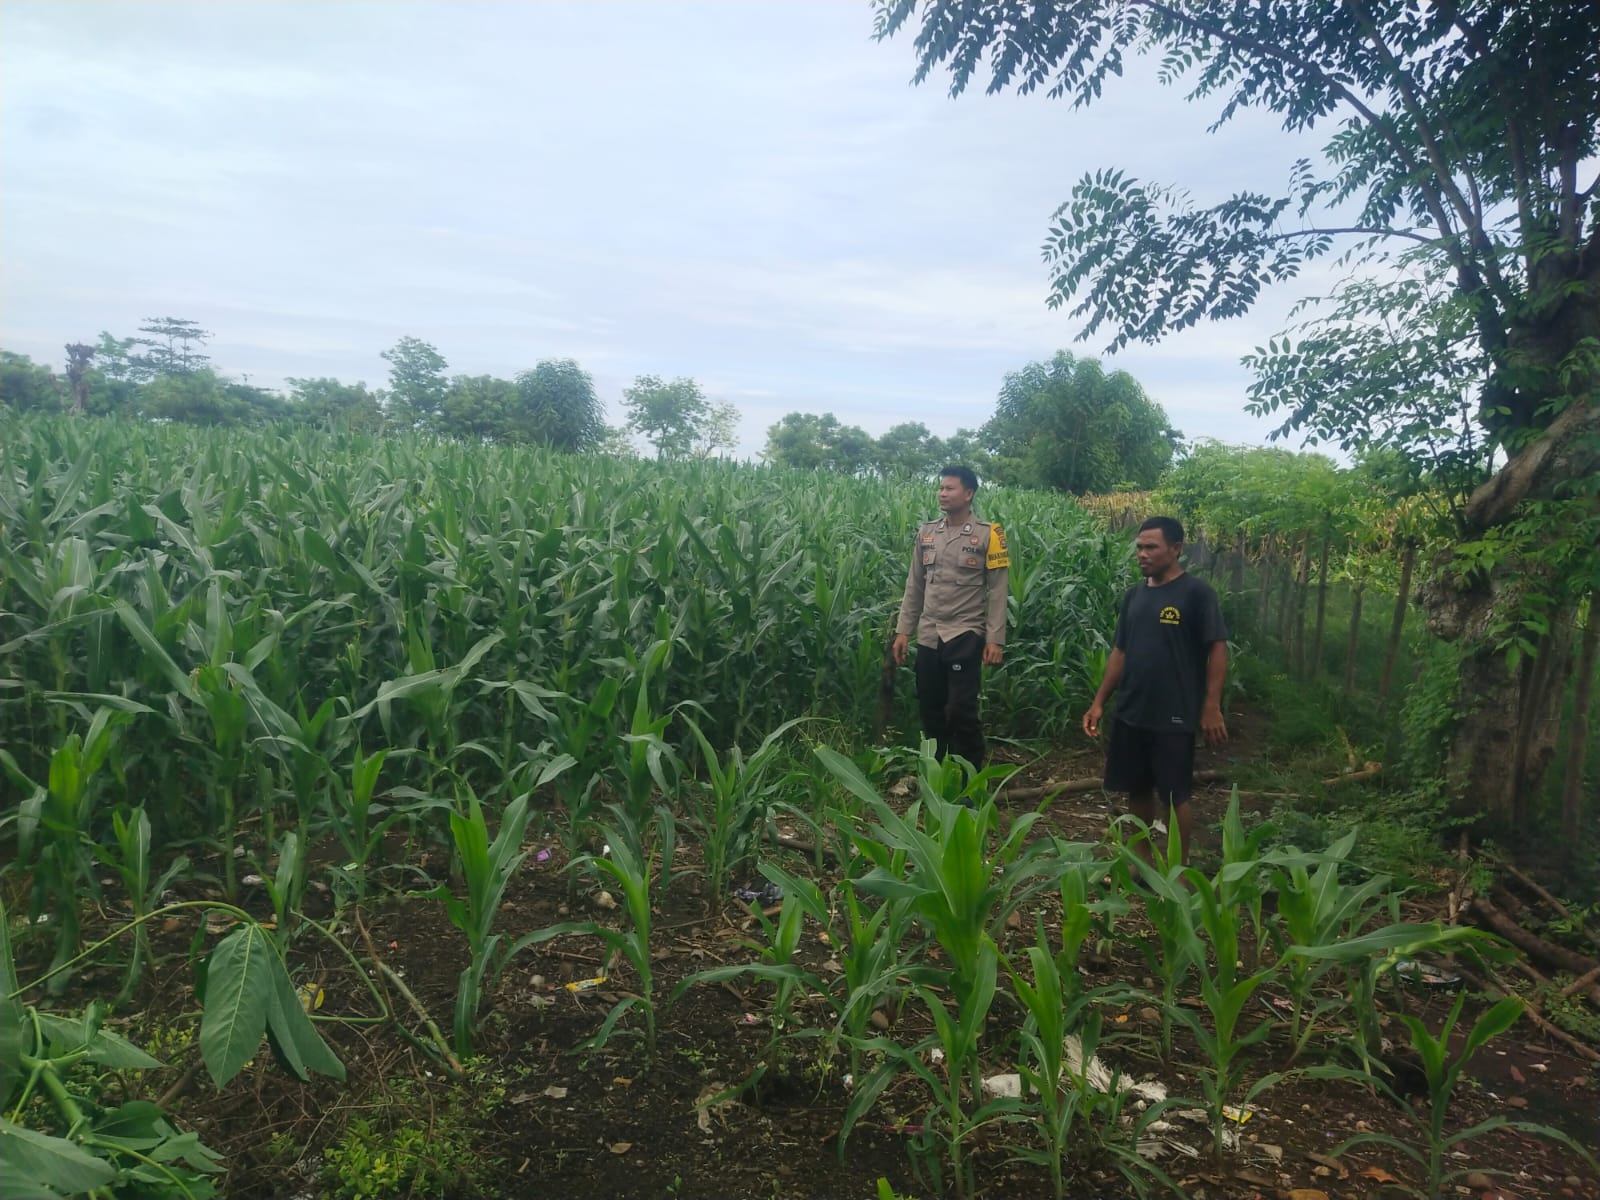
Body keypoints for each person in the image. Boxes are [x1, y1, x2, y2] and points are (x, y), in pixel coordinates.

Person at [1082, 516, 1228, 864]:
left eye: (1151, 547)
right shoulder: (1134, 596)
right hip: (1133, 708)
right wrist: (1099, 702)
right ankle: (1141, 862)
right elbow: (1120, 652)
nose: (1142, 554)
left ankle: (1178, 868)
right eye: (1139, 548)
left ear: (1175, 549)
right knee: (1137, 787)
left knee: (1176, 794)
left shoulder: (1196, 594)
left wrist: (1211, 705)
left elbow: (1218, 647)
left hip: (1174, 711)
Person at [892, 465, 1009, 768]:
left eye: (949, 488)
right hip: (929, 634)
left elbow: (998, 590)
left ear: (968, 494)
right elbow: (915, 585)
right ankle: (939, 772)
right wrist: (903, 631)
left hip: (964, 633)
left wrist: (995, 639)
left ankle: (971, 775)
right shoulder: (927, 533)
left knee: (960, 710)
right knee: (930, 709)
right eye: (941, 488)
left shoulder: (989, 534)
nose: (942, 493)